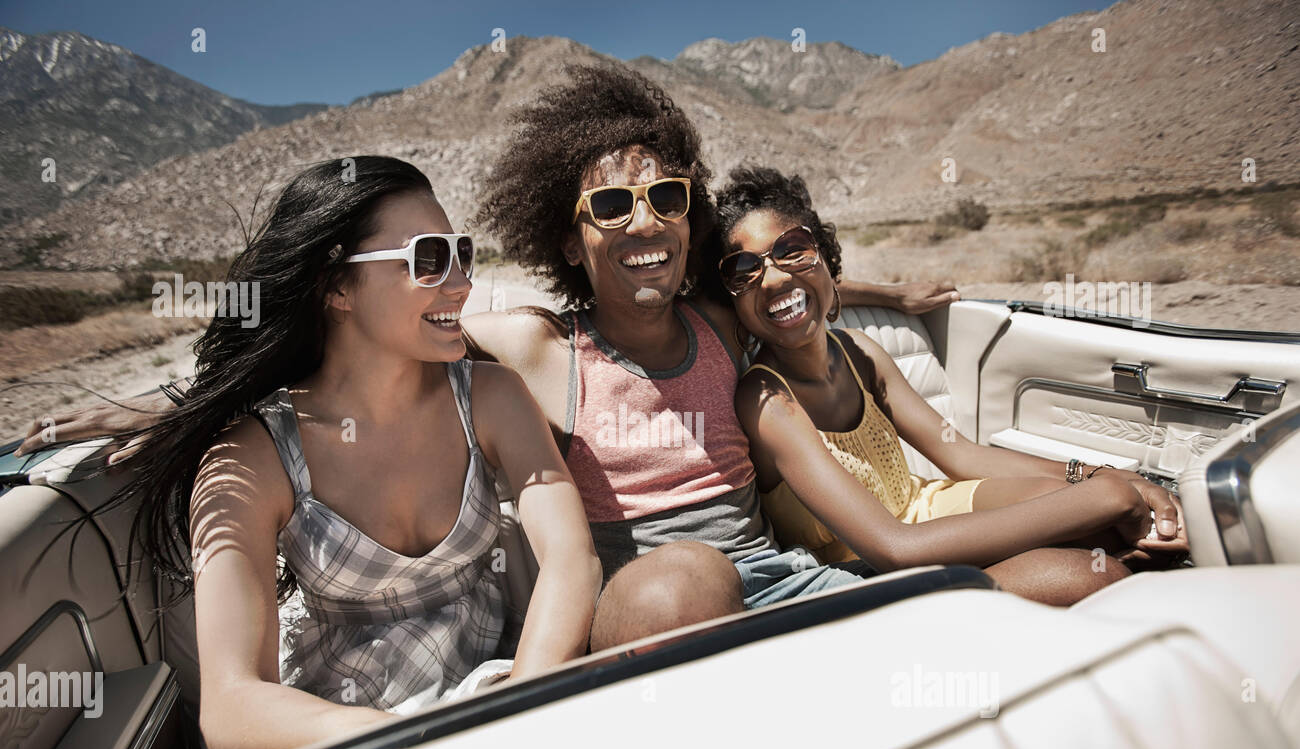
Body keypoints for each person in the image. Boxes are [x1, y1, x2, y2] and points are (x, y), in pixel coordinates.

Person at [23, 66, 957, 651]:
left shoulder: (715, 317)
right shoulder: (532, 346)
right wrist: (170, 407)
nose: (644, 221)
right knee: (692, 585)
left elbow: (781, 282)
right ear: (567, 230)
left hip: (779, 580)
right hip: (646, 608)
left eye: (667, 198)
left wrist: (896, 295)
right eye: (609, 207)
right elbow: (343, 340)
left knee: (1029, 592)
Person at [82, 157, 601, 749]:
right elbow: (231, 704)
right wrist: (408, 746)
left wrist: (517, 712)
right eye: (428, 259)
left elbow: (572, 558)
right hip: (335, 733)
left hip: (495, 689)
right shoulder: (253, 457)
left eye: (461, 254)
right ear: (336, 287)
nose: (458, 282)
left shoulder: (490, 397)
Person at [712, 166, 1189, 605]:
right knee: (1095, 574)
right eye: (742, 271)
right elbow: (895, 548)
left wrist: (1094, 475)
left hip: (930, 507)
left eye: (792, 249)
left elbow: (962, 455)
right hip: (868, 567)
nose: (772, 278)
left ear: (822, 258)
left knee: (1109, 532)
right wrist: (1107, 496)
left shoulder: (861, 352)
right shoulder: (766, 401)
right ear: (733, 305)